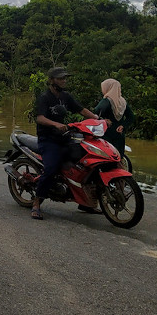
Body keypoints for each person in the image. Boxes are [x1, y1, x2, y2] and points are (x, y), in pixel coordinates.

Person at [30, 66, 99, 220]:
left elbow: (81, 110)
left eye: (64, 78)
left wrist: (97, 119)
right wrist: (55, 124)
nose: (64, 81)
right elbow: (40, 118)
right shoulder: (44, 97)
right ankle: (37, 202)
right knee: (51, 169)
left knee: (85, 163)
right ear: (51, 80)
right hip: (48, 139)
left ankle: (84, 202)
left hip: (64, 137)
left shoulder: (66, 96)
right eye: (60, 78)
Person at [93, 78, 135, 159]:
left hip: (106, 135)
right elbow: (131, 117)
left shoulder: (106, 101)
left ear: (107, 88)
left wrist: (102, 120)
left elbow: (95, 114)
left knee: (106, 158)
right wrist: (123, 126)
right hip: (119, 135)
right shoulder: (123, 102)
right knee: (118, 158)